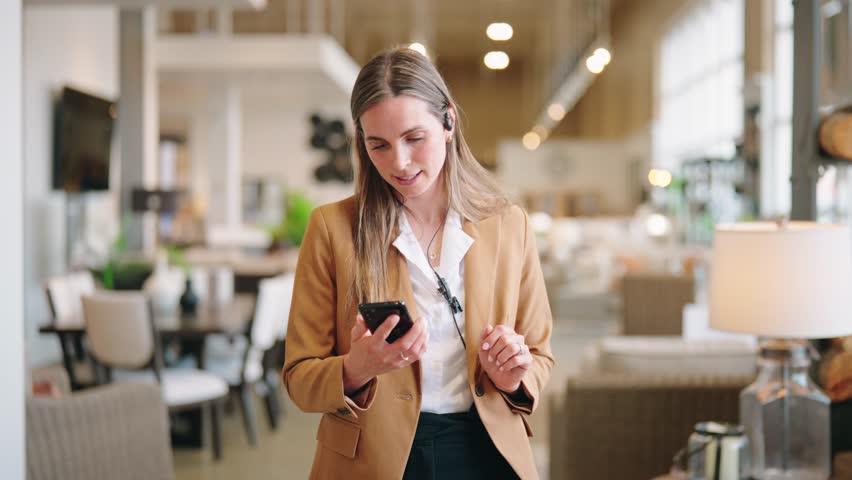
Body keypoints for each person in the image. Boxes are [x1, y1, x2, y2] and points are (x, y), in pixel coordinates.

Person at [283, 46, 554, 480]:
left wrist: (513, 376)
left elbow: (539, 353)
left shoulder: (508, 225)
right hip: (371, 458)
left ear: (448, 122)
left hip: (487, 451)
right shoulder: (332, 230)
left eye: (414, 138)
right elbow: (299, 377)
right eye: (379, 145)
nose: (400, 162)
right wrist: (359, 367)